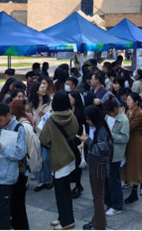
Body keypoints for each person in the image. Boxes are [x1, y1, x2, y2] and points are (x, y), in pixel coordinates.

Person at [39, 92, 79, 230]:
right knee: (66, 190)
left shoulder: (51, 120)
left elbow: (44, 139)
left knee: (61, 193)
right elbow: (75, 130)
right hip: (70, 156)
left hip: (58, 159)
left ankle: (67, 221)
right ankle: (63, 217)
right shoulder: (71, 115)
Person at [0, 103, 27, 230]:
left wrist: (1, 147)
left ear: (8, 115)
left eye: (0, 120)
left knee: (3, 210)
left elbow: (20, 152)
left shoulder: (18, 128)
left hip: (7, 177)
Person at [80, 105, 114, 230]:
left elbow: (100, 150)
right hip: (96, 166)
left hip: (99, 167)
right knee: (97, 197)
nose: (87, 121)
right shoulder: (98, 128)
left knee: (98, 197)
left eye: (89, 119)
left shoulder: (102, 130)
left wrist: (88, 141)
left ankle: (99, 225)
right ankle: (96, 221)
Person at [9, 100, 35, 230]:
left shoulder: (21, 127)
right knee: (19, 199)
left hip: (21, 165)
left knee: (18, 199)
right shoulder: (26, 123)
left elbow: (20, 150)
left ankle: (21, 225)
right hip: (24, 165)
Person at [102, 95, 129, 216]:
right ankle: (107, 201)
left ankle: (117, 205)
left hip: (116, 153)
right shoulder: (108, 116)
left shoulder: (123, 120)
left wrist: (110, 135)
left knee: (114, 180)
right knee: (106, 179)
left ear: (115, 110)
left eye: (109, 113)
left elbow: (124, 138)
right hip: (107, 151)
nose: (108, 115)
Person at [123, 92, 142, 204]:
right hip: (129, 141)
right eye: (127, 100)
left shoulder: (139, 114)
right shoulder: (129, 111)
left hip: (135, 142)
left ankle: (134, 192)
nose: (127, 102)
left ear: (136, 102)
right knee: (130, 165)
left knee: (136, 166)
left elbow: (129, 126)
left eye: (129, 100)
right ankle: (130, 184)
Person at [68, 89, 86, 199]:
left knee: (77, 164)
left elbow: (84, 126)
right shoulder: (68, 109)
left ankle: (78, 185)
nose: (69, 100)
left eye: (71, 98)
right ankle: (75, 184)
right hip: (70, 139)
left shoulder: (81, 112)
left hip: (78, 139)